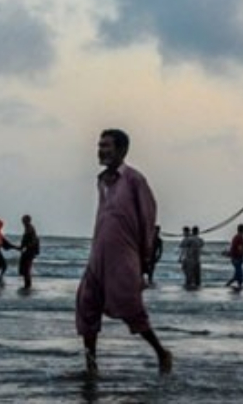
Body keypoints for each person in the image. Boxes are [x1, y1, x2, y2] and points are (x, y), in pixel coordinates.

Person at [75, 128, 172, 376]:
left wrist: (145, 261)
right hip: (98, 255)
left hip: (124, 257)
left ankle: (161, 352)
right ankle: (91, 366)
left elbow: (147, 219)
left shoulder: (134, 180)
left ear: (122, 150)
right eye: (100, 145)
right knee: (86, 304)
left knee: (131, 308)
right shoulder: (101, 182)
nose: (101, 150)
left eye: (107, 146)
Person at [18, 214, 40, 290]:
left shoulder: (30, 228)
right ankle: (27, 284)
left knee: (27, 268)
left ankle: (27, 285)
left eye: (24, 220)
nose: (22, 222)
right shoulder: (28, 228)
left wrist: (26, 247)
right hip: (28, 251)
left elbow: (34, 241)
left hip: (29, 252)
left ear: (27, 220)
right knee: (25, 268)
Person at [225, 223, 243, 291]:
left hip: (234, 257)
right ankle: (239, 285)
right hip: (237, 257)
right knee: (239, 273)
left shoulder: (235, 237)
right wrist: (241, 256)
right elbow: (240, 248)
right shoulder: (240, 237)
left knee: (237, 273)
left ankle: (230, 283)